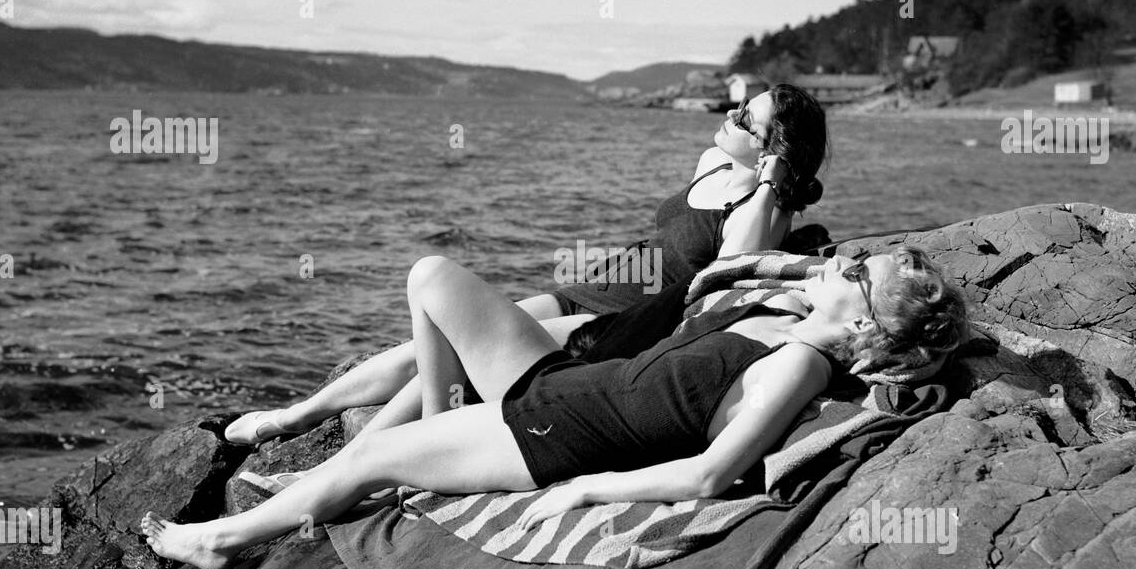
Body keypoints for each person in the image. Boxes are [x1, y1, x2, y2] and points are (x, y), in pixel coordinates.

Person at [142, 246, 967, 569]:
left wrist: (591, 492)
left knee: (364, 459)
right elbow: (771, 260)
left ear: (861, 322)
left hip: (556, 432)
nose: (843, 260)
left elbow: (717, 471)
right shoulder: (791, 318)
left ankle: (215, 541)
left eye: (859, 267)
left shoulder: (796, 363)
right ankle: (429, 435)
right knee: (431, 275)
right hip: (556, 385)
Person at [223, 84, 829, 447]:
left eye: (748, 119)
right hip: (589, 290)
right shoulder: (713, 163)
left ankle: (367, 460)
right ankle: (296, 416)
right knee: (430, 340)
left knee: (457, 348)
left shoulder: (763, 209)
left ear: (773, 149)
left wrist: (772, 179)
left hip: (627, 321)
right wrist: (755, 142)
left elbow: (736, 261)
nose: (731, 116)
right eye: (737, 106)